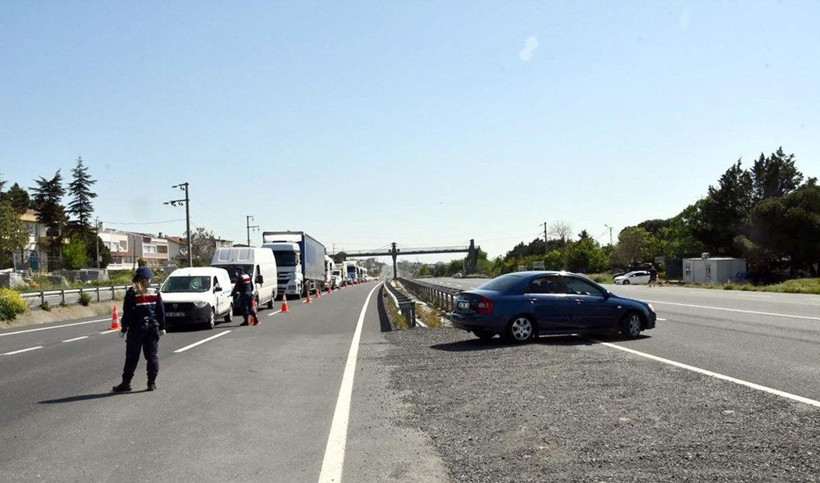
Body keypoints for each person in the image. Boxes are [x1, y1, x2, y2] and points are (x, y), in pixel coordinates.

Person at [113, 266, 166, 392]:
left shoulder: (132, 292)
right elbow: (160, 311)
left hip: (136, 329)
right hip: (152, 328)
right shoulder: (155, 291)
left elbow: (127, 313)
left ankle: (126, 384)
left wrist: (123, 328)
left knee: (132, 357)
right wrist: (162, 327)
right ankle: (151, 383)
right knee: (152, 357)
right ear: (148, 279)